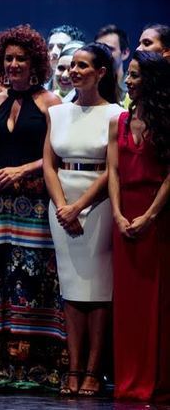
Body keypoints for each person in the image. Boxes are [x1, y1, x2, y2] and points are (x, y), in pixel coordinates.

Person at [0, 24, 66, 391]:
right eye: (9, 58)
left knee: (35, 279)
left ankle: (38, 369)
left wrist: (21, 170)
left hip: (34, 202)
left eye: (21, 58)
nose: (14, 64)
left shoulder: (52, 104)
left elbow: (56, 154)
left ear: (36, 63)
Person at [44, 42, 123, 397]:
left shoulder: (115, 114)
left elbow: (112, 170)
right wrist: (63, 205)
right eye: (71, 65)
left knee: (98, 290)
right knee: (71, 289)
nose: (74, 71)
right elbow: (49, 163)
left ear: (101, 73)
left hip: (99, 203)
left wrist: (79, 207)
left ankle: (94, 370)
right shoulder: (58, 112)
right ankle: (73, 367)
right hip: (61, 205)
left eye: (83, 66)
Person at [109, 50, 170, 403]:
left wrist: (149, 217)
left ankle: (155, 380)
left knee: (155, 302)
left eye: (134, 75)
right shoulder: (118, 121)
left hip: (157, 218)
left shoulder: (167, 121)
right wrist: (117, 214)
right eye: (128, 74)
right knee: (128, 304)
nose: (128, 81)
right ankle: (128, 380)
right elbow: (113, 171)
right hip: (125, 216)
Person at [95, 25, 130, 103]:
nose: (102, 53)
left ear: (125, 53)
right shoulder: (89, 88)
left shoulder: (132, 89)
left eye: (108, 48)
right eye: (98, 48)